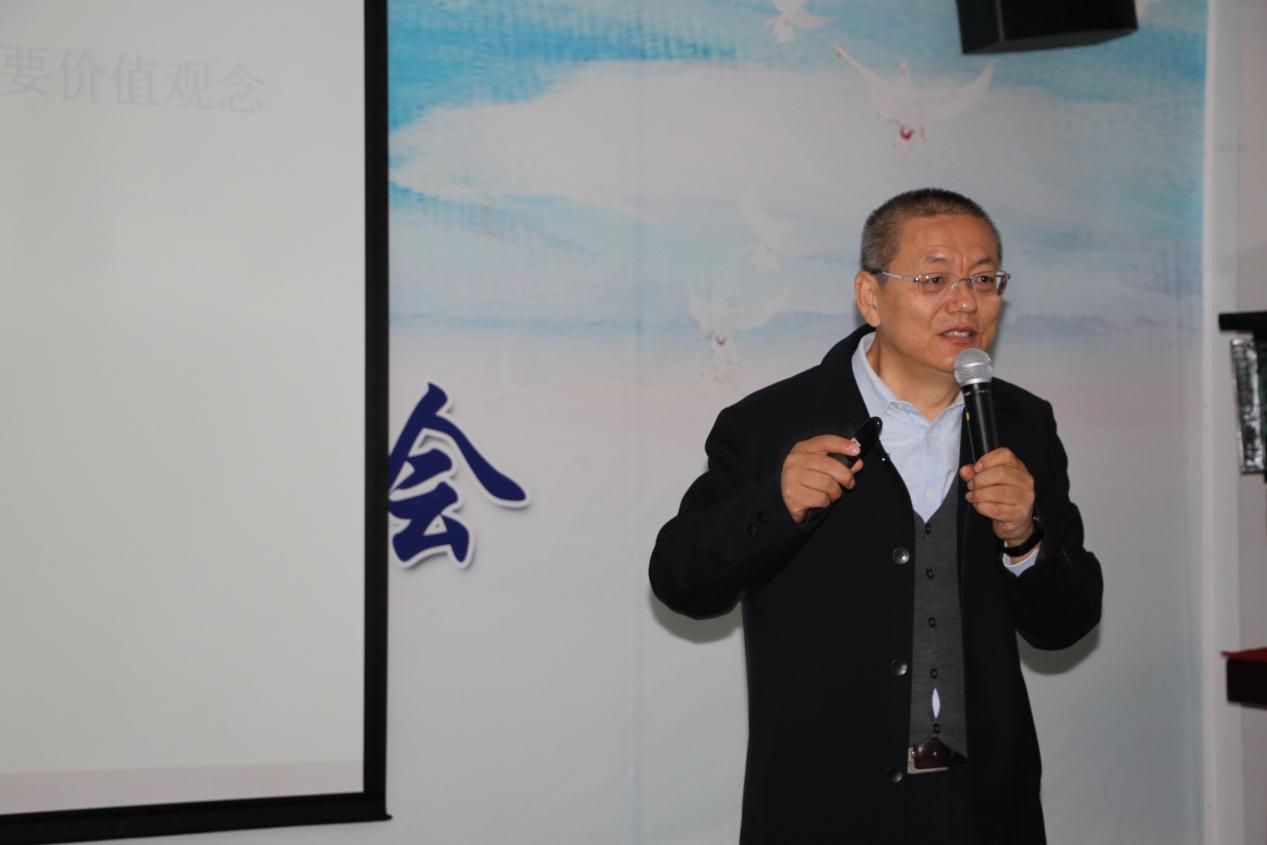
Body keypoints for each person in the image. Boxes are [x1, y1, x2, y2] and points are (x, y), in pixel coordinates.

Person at [649, 188, 1102, 845]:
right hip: (826, 807)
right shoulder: (771, 423)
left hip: (982, 807)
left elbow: (1067, 622)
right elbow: (679, 579)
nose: (965, 302)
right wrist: (774, 503)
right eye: (934, 279)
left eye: (983, 279)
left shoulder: (1022, 424)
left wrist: (1023, 539)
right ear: (870, 296)